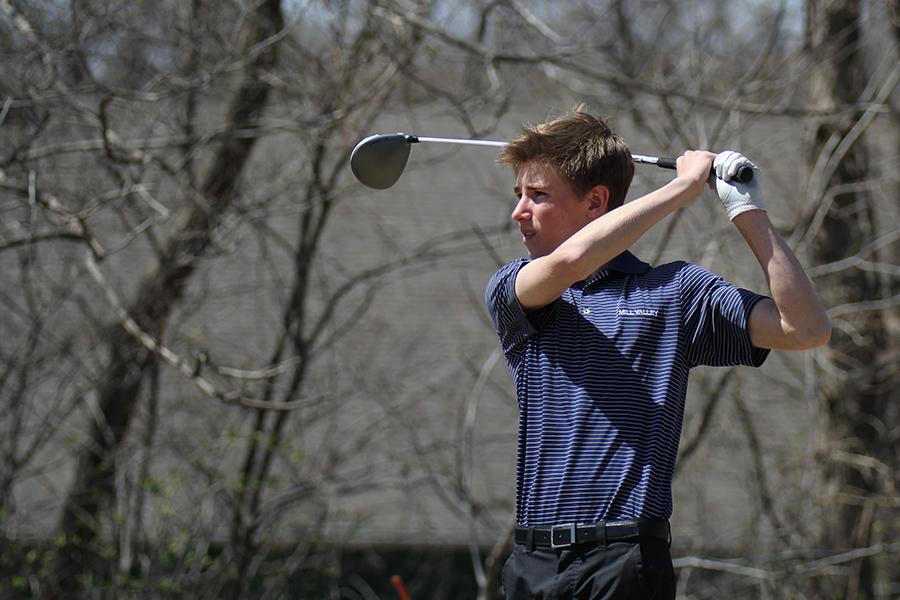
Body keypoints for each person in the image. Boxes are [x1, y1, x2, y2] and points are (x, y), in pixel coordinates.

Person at [484, 110, 831, 599]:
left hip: (624, 561)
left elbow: (806, 328)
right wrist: (682, 189)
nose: (519, 211)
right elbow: (572, 261)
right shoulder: (516, 288)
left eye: (538, 195)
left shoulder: (676, 292)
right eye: (518, 195)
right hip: (532, 563)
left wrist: (746, 209)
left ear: (596, 201)